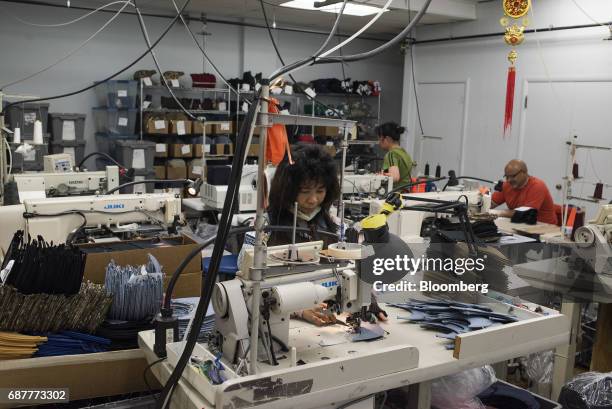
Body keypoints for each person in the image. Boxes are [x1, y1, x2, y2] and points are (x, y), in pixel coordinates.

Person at [491, 159, 558, 225]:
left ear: (524, 172)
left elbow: (526, 213)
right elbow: (491, 203)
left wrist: (500, 213)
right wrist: (482, 200)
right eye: (506, 176)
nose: (509, 180)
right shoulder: (507, 185)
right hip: (523, 224)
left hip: (545, 227)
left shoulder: (537, 186)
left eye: (513, 176)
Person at [377, 122, 414, 190]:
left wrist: (377, 178)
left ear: (387, 139)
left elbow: (395, 177)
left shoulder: (391, 154)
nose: (379, 142)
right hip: (406, 193)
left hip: (395, 194)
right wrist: (384, 173)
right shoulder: (404, 153)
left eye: (379, 138)